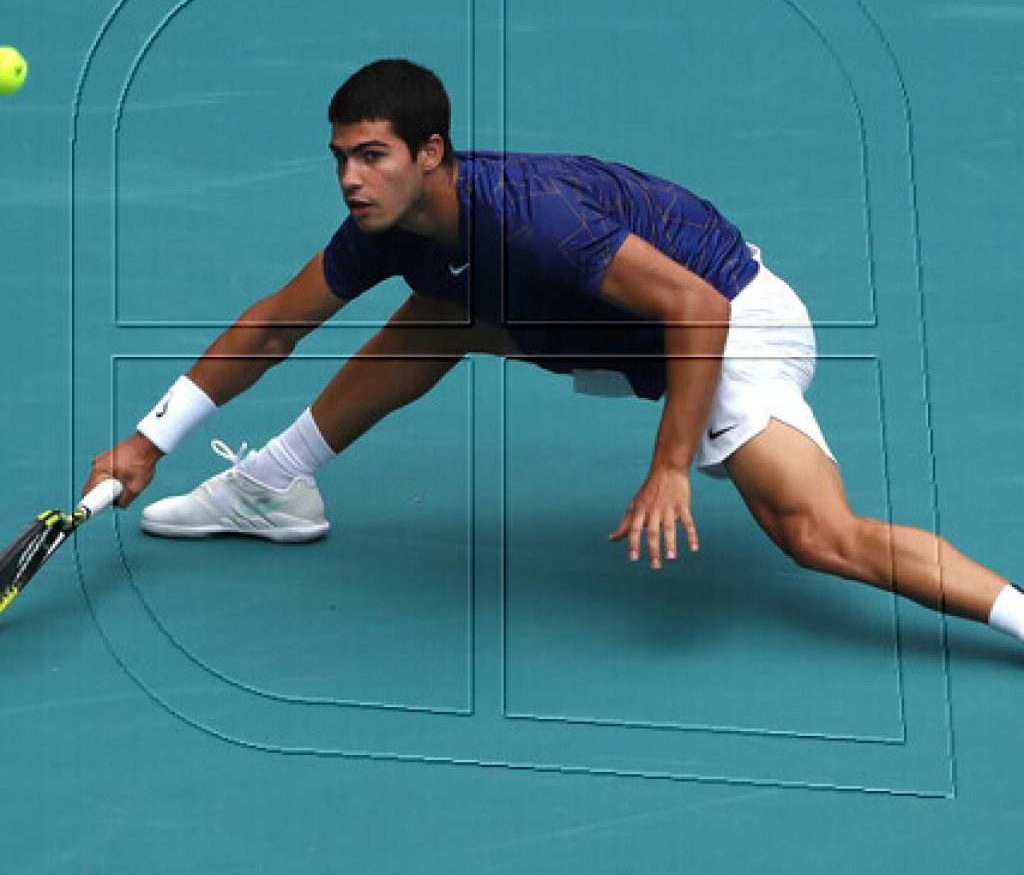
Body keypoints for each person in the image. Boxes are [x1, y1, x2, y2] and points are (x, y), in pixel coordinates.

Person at [82, 58, 1024, 644]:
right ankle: (278, 484)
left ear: (432, 152)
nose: (350, 178)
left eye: (371, 155)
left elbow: (696, 308)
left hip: (733, 324)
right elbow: (275, 324)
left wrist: (669, 469)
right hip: (616, 336)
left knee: (819, 536)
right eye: (340, 157)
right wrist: (151, 439)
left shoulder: (536, 223)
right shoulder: (392, 228)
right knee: (440, 307)